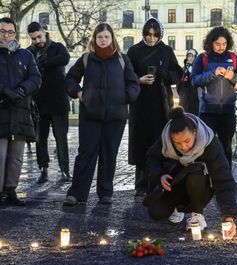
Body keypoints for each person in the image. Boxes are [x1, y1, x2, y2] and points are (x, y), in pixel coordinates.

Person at [63, 23, 140, 206]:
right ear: (94, 39)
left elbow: (133, 83)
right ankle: (77, 193)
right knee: (86, 154)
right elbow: (70, 79)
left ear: (112, 38)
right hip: (90, 114)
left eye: (106, 37)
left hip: (116, 116)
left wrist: (127, 96)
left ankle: (105, 192)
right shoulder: (87, 59)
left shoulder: (122, 59)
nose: (103, 40)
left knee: (109, 153)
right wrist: (79, 92)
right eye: (100, 37)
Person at [0, 17, 41, 208]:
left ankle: (11, 189)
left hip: (21, 108)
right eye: (3, 31)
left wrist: (21, 91)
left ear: (15, 33)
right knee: (0, 153)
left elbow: (36, 78)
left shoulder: (25, 55)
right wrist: (3, 91)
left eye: (10, 32)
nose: (6, 35)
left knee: (17, 155)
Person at [144, 107, 237, 235]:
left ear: (195, 132)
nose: (183, 147)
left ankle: (197, 214)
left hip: (200, 184)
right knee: (156, 212)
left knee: (195, 173)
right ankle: (178, 207)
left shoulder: (210, 144)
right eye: (177, 143)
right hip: (176, 182)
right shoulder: (165, 141)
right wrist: (160, 175)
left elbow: (223, 179)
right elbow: (151, 157)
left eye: (187, 141)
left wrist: (229, 216)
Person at [127, 17, 182, 196]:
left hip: (160, 103)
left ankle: (159, 181)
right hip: (140, 104)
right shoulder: (134, 51)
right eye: (148, 34)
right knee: (141, 142)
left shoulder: (166, 51)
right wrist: (139, 79)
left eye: (155, 35)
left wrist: (163, 73)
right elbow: (126, 75)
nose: (151, 38)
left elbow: (177, 73)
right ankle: (141, 184)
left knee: (160, 141)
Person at [191, 26, 237, 167]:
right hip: (207, 112)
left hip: (228, 111)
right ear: (211, 43)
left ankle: (226, 177)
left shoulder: (233, 58)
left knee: (226, 147)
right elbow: (194, 80)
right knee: (206, 146)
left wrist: (233, 77)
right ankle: (206, 177)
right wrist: (212, 74)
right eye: (217, 44)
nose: (221, 47)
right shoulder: (202, 58)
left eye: (224, 44)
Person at [27, 21, 71, 184]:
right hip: (39, 103)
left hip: (58, 101)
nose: (38, 41)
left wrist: (44, 62)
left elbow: (64, 58)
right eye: (34, 39)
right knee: (40, 139)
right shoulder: (29, 53)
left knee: (61, 138)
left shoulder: (57, 47)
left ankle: (64, 169)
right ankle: (43, 169)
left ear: (44, 32)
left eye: (39, 36)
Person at [178, 48, 199, 116]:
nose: (190, 58)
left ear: (196, 57)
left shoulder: (199, 70)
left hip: (195, 100)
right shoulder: (183, 69)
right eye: (189, 56)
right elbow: (179, 84)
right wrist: (182, 94)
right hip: (184, 100)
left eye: (192, 56)